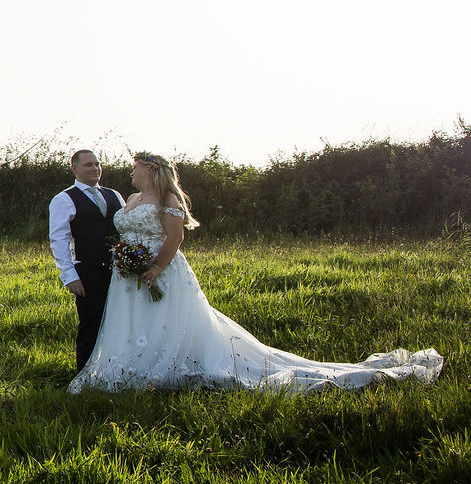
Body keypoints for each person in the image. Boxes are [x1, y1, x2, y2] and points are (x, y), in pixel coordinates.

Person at [68, 151, 443, 392]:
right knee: (132, 324)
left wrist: (154, 267)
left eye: (135, 168)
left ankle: (164, 369)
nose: (130, 173)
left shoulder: (167, 199)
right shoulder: (130, 198)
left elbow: (174, 237)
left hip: (160, 272)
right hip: (127, 276)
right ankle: (128, 370)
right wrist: (126, 258)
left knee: (166, 323)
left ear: (149, 171)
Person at [47, 148, 123, 376]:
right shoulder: (64, 199)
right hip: (88, 271)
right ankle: (85, 376)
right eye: (89, 165)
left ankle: (115, 371)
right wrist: (69, 276)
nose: (95, 168)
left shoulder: (114, 195)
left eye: (97, 164)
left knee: (120, 322)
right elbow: (58, 240)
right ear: (74, 168)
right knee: (91, 324)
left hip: (120, 271)